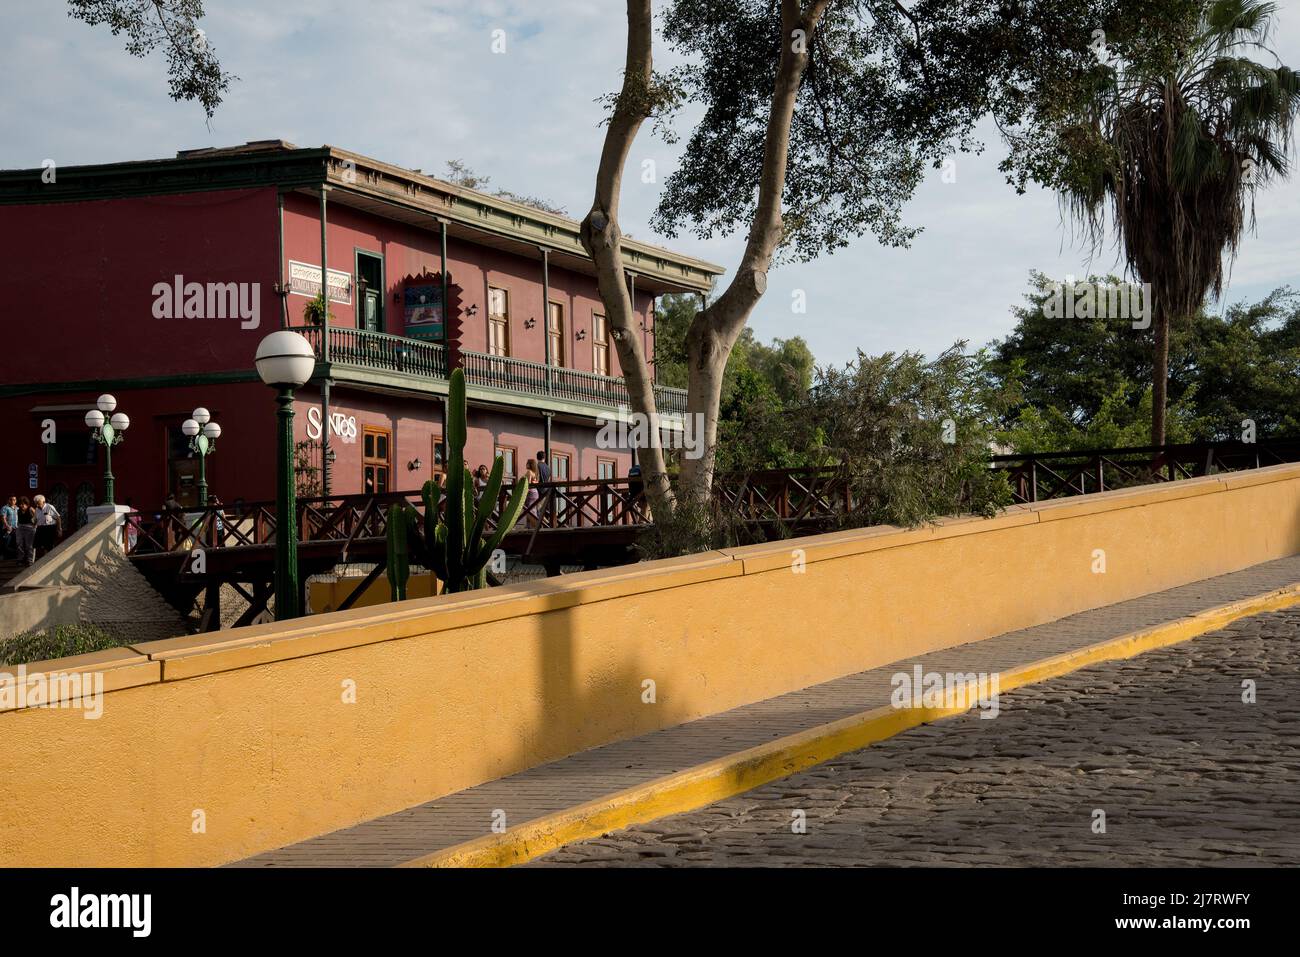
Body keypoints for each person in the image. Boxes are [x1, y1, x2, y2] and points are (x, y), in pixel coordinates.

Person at [32, 494, 61, 560]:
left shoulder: (49, 507)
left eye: (38, 503)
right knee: (38, 545)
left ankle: (50, 559)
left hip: (50, 528)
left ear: (43, 502)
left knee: (49, 546)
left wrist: (59, 529)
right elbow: (35, 519)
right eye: (36, 503)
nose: (37, 505)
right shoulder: (37, 509)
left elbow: (58, 518)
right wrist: (33, 523)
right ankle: (44, 558)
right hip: (40, 528)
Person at [14, 496, 37, 566]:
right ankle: (20, 559)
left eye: (23, 504)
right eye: (20, 504)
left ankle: (30, 560)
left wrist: (35, 526)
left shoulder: (30, 509)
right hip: (20, 527)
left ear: (27, 504)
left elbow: (37, 517)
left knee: (29, 545)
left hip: (30, 527)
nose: (22, 505)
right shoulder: (18, 510)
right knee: (19, 544)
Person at [522, 459, 540, 528]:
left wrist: (524, 493)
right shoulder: (535, 473)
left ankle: (535, 525)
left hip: (530, 493)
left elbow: (528, 483)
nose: (526, 464)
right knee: (532, 509)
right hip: (535, 492)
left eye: (527, 463)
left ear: (530, 464)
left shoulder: (529, 472)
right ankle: (529, 525)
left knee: (529, 510)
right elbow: (537, 482)